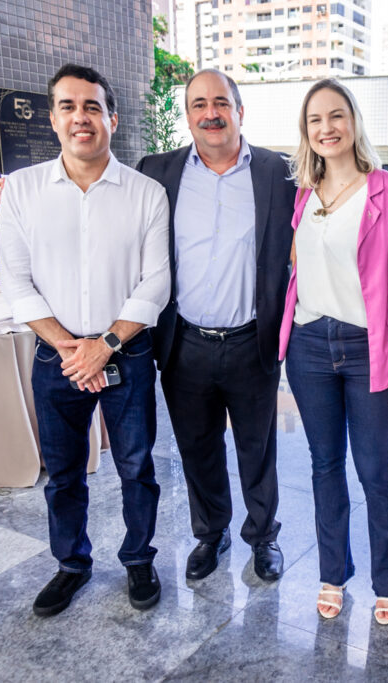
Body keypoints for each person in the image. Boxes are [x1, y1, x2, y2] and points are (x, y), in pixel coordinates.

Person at [0, 63, 170, 616]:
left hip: (129, 353)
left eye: (92, 106)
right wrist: (75, 348)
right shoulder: (22, 191)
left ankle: (138, 557)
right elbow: (16, 281)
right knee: (64, 471)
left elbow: (157, 280)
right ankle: (71, 564)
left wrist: (107, 345)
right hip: (58, 357)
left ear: (111, 119)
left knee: (137, 466)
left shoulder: (147, 193)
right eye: (68, 106)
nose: (81, 117)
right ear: (52, 119)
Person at [136, 70, 294, 583]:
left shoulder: (279, 172)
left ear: (240, 111)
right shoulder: (156, 172)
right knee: (197, 447)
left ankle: (264, 536)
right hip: (185, 342)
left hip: (253, 340)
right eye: (199, 104)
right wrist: (21, 191)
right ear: (187, 116)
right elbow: (101, 194)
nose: (211, 113)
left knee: (258, 446)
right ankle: (211, 533)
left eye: (221, 102)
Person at [278, 79, 388, 625]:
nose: (326, 128)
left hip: (370, 349)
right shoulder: (301, 195)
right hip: (311, 344)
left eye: (336, 116)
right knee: (323, 465)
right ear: (306, 131)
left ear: (354, 122)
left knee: (374, 468)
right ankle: (332, 572)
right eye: (315, 119)